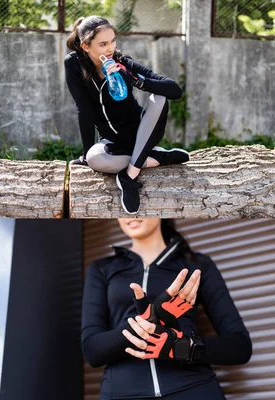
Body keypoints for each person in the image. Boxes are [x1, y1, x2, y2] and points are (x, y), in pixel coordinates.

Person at [81, 219, 252, 399]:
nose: (130, 214)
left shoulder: (197, 265)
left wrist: (182, 347)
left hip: (194, 389)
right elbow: (93, 350)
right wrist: (150, 321)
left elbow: (240, 346)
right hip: (122, 393)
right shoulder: (102, 269)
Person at [64, 16, 190, 214]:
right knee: (95, 159)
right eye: (103, 44)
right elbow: (84, 111)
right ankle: (155, 157)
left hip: (142, 132)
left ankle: (129, 177)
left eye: (113, 41)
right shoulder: (74, 65)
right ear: (86, 46)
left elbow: (174, 90)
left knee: (160, 99)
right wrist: (86, 154)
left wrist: (134, 80)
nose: (110, 48)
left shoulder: (122, 62)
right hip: (112, 141)